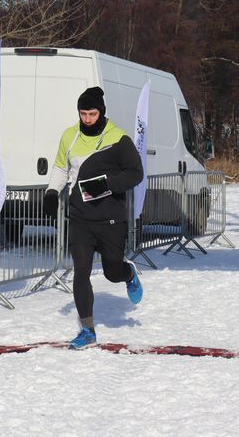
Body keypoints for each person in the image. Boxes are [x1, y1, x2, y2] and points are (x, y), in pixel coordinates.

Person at [43, 86, 144, 349]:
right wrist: (52, 193)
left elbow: (135, 173)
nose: (87, 119)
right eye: (83, 113)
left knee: (112, 272)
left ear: (101, 112)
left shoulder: (118, 138)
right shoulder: (70, 136)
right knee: (81, 271)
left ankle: (128, 272)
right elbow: (60, 168)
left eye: (92, 113)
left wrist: (107, 185)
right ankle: (87, 330)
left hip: (110, 218)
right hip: (80, 218)